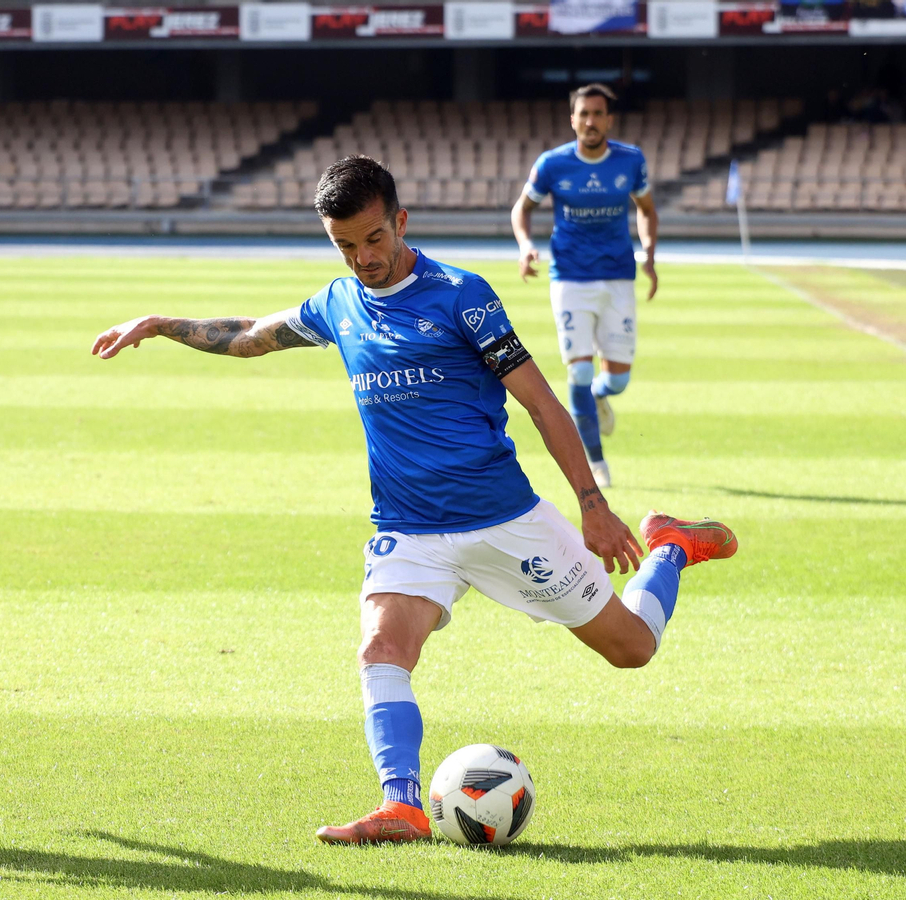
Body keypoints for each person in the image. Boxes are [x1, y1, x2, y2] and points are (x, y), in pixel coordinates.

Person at [92, 156, 735, 845]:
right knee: (381, 649)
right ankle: (400, 806)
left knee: (631, 649)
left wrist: (592, 504)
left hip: (503, 518)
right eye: (344, 244)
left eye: (372, 238)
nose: (362, 257)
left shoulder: (463, 295)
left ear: (399, 221)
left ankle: (669, 545)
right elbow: (250, 336)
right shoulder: (338, 304)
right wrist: (160, 323)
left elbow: (544, 404)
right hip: (409, 527)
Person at [511, 83, 658, 489]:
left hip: (617, 277)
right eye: (584, 114)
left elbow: (646, 210)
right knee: (576, 374)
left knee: (618, 381)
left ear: (608, 119)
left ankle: (600, 395)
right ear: (572, 119)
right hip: (570, 279)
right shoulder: (553, 164)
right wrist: (526, 247)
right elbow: (521, 210)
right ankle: (596, 462)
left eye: (598, 113)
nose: (591, 121)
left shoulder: (630, 160)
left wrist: (649, 252)